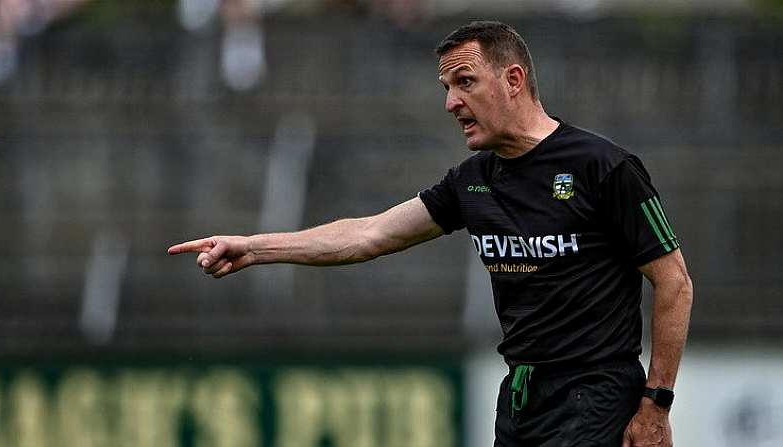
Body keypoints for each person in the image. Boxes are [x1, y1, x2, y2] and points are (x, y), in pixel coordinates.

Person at [168, 20, 693, 447]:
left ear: (513, 80)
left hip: (595, 395)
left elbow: (674, 283)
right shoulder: (473, 181)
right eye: (446, 88)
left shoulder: (604, 167)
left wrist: (656, 403)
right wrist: (254, 248)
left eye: (466, 83)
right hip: (520, 399)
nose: (450, 103)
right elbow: (367, 235)